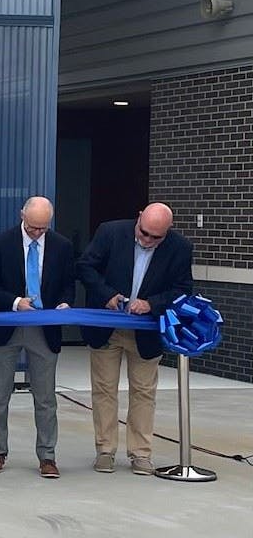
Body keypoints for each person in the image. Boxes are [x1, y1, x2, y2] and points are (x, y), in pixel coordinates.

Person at [78, 202, 193, 475]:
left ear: (168, 232)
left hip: (146, 331)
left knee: (143, 392)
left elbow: (183, 289)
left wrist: (152, 303)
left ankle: (140, 453)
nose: (148, 240)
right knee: (104, 389)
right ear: (139, 217)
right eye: (144, 233)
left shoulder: (180, 248)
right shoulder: (110, 232)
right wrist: (107, 295)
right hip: (107, 327)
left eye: (156, 237)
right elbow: (85, 268)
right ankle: (105, 450)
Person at [0, 196, 75, 479]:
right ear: (22, 215)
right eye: (32, 227)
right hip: (7, 325)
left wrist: (65, 304)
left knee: (45, 397)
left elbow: (69, 283)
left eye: (42, 229)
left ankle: (47, 456)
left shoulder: (62, 246)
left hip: (45, 328)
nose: (36, 233)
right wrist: (15, 301)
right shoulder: (2, 242)